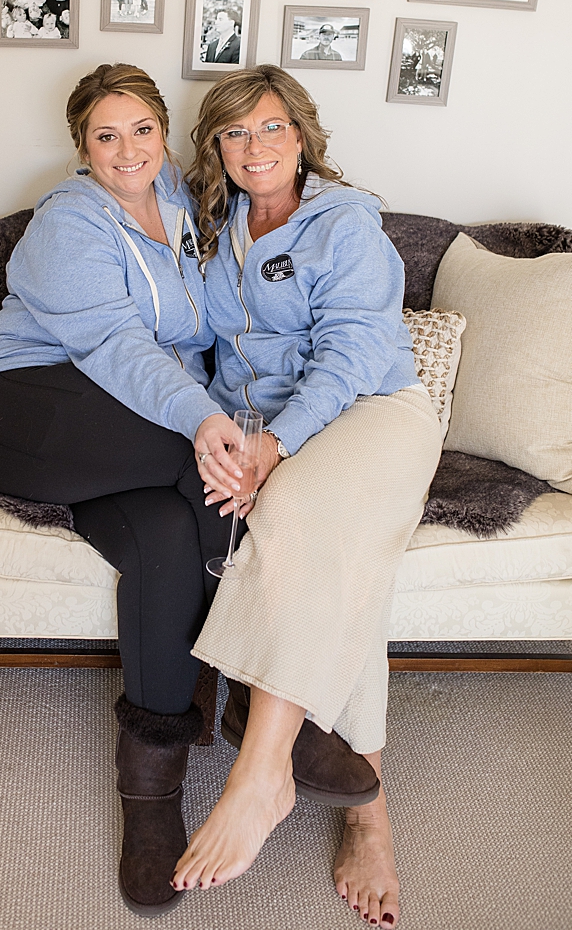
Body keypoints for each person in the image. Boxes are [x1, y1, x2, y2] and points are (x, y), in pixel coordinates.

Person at [0, 63, 251, 915]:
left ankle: (151, 801)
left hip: (112, 440)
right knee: (211, 469)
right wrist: (208, 426)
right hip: (19, 408)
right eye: (106, 135)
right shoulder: (69, 220)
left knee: (162, 538)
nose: (127, 150)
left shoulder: (191, 210)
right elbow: (119, 349)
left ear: (165, 132)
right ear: (82, 146)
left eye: (142, 130)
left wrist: (227, 410)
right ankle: (266, 699)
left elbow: (205, 340)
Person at [173, 66, 440, 930]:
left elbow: (355, 354)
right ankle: (369, 809)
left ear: (302, 135)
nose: (256, 147)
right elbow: (201, 351)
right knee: (353, 558)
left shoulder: (347, 221)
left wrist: (274, 446)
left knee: (292, 512)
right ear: (216, 145)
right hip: (266, 427)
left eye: (272, 127)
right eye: (236, 133)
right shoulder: (210, 231)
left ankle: (260, 777)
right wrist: (217, 431)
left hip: (372, 415)